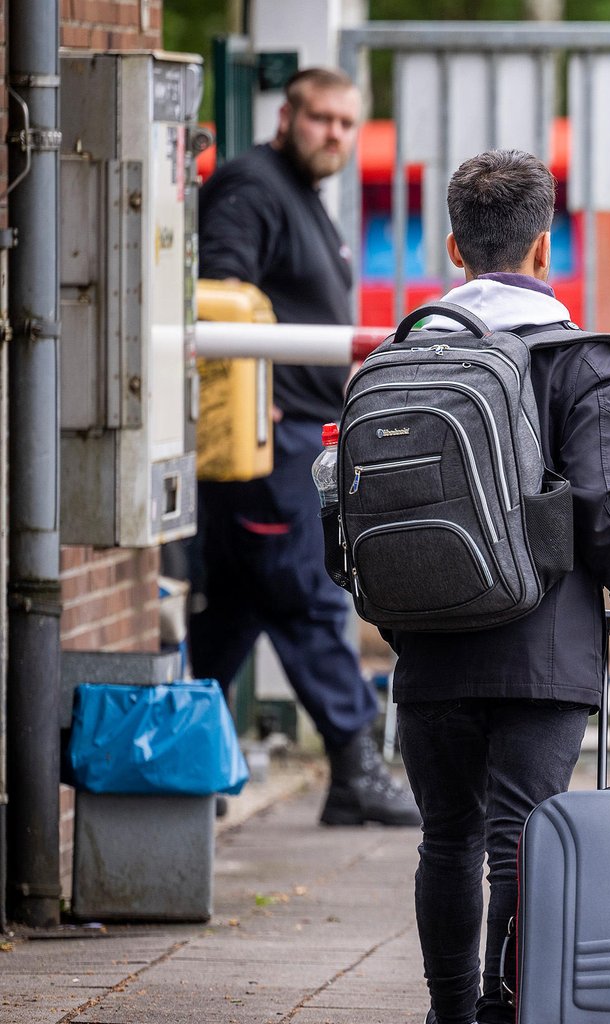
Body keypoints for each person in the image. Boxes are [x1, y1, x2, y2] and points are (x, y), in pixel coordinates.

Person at [393, 150, 610, 1024]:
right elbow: (604, 506)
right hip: (541, 644)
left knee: (447, 834)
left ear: (452, 248)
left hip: (429, 635)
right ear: (546, 246)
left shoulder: (410, 350)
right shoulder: (578, 358)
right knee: (518, 833)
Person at [193, 68, 419, 828]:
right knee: (305, 595)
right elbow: (217, 305)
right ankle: (355, 766)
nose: (334, 134)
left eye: (346, 123)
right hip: (266, 442)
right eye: (320, 118)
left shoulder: (300, 198)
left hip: (288, 436)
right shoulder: (250, 188)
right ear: (286, 114)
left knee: (235, 609)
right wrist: (278, 401)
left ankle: (175, 757)